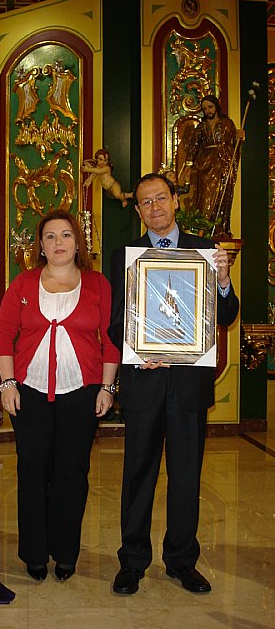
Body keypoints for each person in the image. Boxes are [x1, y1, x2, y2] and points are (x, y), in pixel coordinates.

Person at [108, 173, 239, 595]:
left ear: (175, 201)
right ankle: (132, 562)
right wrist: (135, 347)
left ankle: (182, 561)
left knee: (186, 476)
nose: (155, 208)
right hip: (144, 382)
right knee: (138, 475)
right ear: (138, 210)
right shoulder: (125, 255)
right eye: (145, 202)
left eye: (161, 198)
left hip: (188, 384)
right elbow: (114, 324)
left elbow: (227, 315)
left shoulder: (206, 251)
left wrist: (221, 280)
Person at [0, 208, 120, 582]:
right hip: (28, 393)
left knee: (72, 472)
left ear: (77, 242)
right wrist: (7, 383)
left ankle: (65, 552)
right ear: (41, 245)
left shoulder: (98, 284)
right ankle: (34, 552)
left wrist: (107, 388)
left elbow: (111, 341)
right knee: (31, 469)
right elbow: (4, 338)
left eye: (65, 235)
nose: (58, 243)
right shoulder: (22, 284)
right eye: (50, 236)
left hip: (81, 393)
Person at [181, 95, 245, 237]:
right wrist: (188, 165)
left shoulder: (227, 123)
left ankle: (220, 229)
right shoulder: (202, 127)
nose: (208, 110)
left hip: (224, 163)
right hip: (205, 166)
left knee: (223, 194)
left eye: (210, 107)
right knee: (205, 197)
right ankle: (203, 228)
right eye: (204, 109)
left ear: (216, 106)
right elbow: (194, 147)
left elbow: (234, 146)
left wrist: (239, 137)